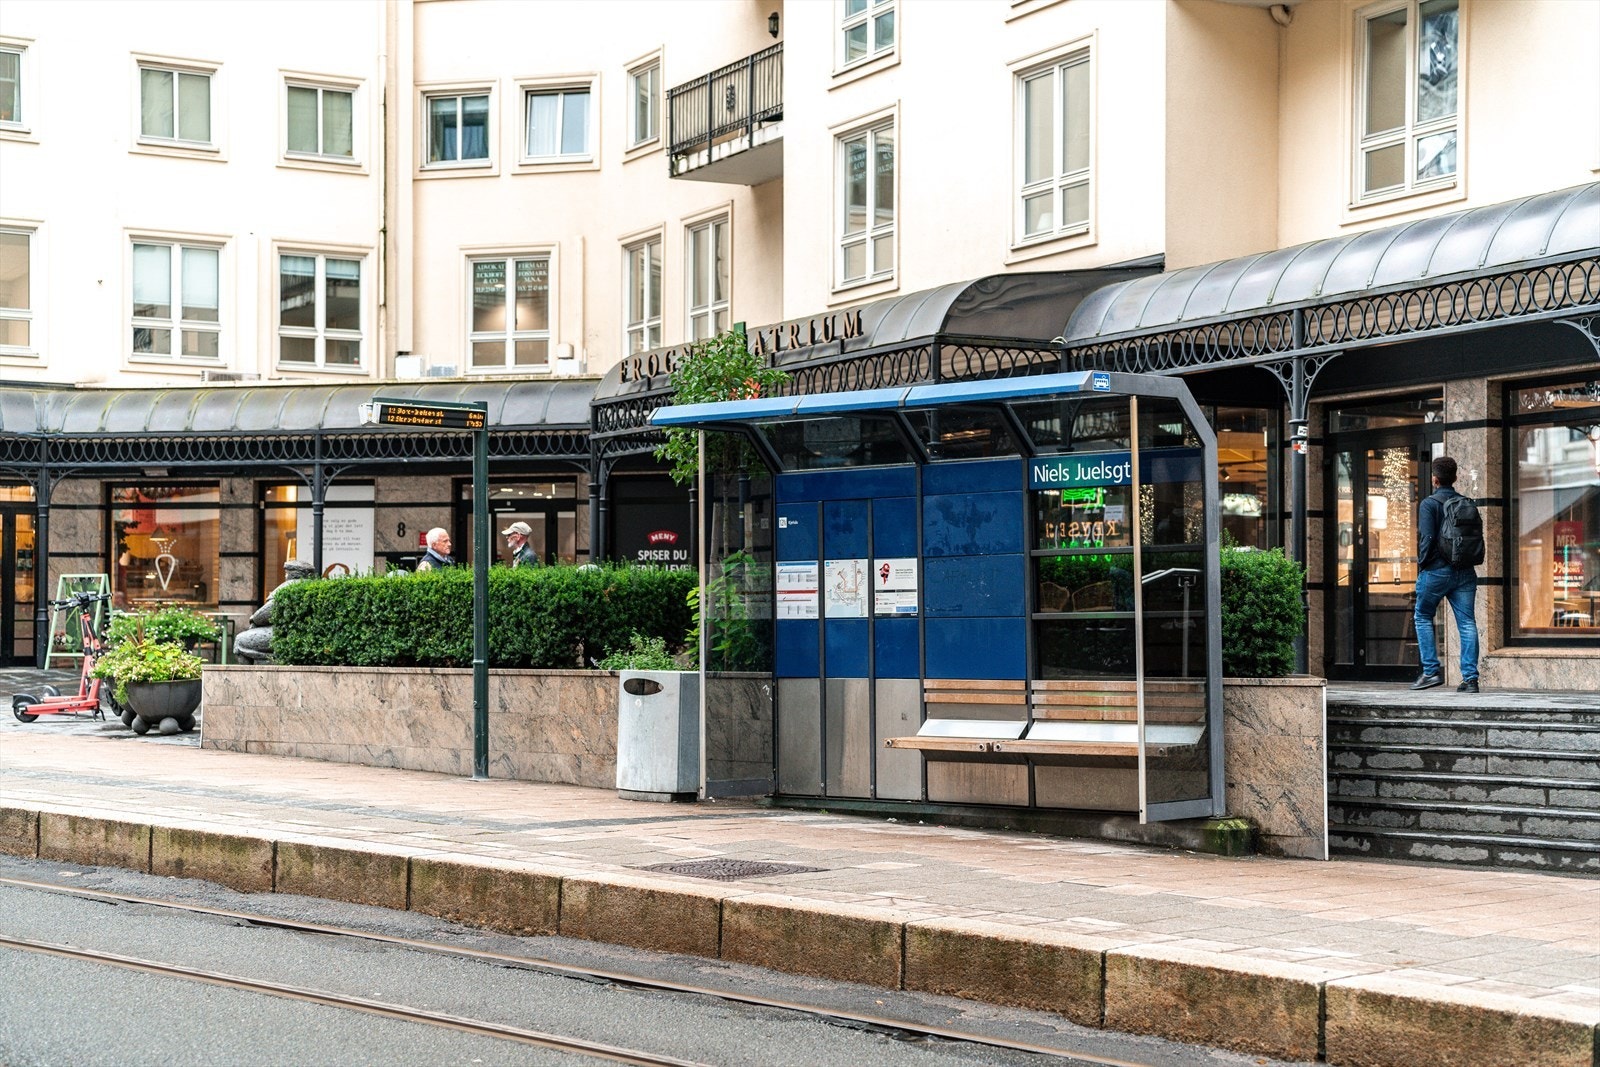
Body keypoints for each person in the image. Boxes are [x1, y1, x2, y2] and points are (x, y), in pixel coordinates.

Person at [1411, 456, 1479, 692]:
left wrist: (1422, 564)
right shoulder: (1466, 502)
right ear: (1456, 477)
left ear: (1435, 479)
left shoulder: (1429, 504)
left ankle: (1431, 672)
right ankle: (1470, 679)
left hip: (1437, 571)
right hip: (1465, 571)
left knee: (1422, 616)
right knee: (1467, 623)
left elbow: (1427, 538)